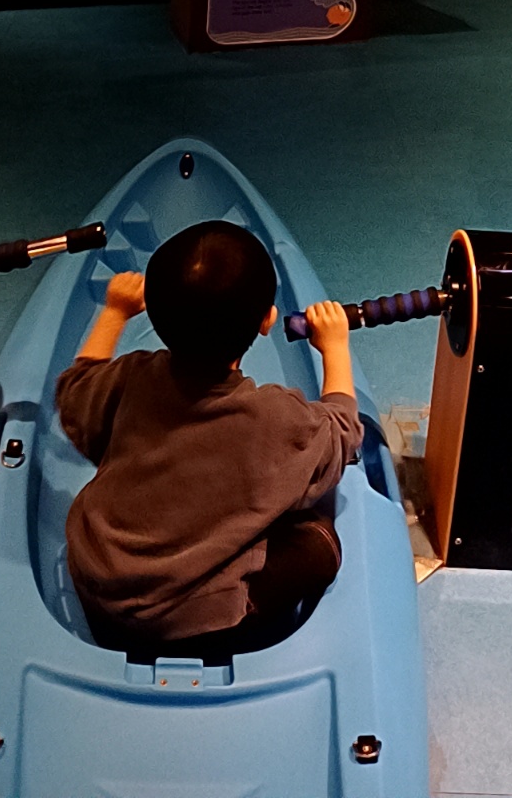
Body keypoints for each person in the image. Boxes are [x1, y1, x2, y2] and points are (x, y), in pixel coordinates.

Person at [55, 220, 362, 658]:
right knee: (320, 543)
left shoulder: (128, 377)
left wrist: (114, 313)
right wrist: (335, 347)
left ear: (153, 315)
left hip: (98, 590)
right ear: (267, 321)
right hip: (195, 624)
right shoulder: (273, 419)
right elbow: (343, 433)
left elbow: (75, 388)